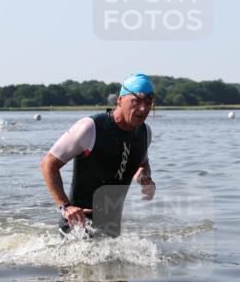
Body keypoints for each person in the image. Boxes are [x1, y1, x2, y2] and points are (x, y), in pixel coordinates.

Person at [41, 73, 156, 236]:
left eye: (148, 102)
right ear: (120, 100)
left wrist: (145, 178)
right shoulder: (90, 128)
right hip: (77, 228)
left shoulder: (145, 132)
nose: (143, 109)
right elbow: (48, 164)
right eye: (136, 101)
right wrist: (65, 206)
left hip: (112, 230)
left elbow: (142, 164)